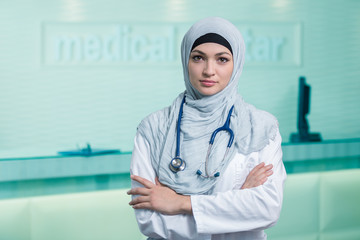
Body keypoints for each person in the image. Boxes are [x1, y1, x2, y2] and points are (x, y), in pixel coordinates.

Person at [127, 17, 286, 240]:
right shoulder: (153, 129)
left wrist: (181, 203)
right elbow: (152, 222)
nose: (209, 70)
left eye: (222, 59)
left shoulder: (260, 127)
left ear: (236, 63)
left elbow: (267, 209)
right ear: (186, 61)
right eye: (198, 58)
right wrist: (237, 202)